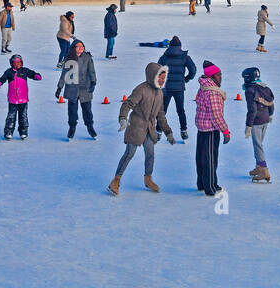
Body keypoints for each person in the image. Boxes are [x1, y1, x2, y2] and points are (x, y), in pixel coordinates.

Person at [109, 62, 176, 195]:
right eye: (160, 78)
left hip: (149, 129)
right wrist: (123, 118)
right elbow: (127, 104)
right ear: (153, 76)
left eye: (164, 78)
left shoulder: (160, 93)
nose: (163, 81)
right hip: (136, 127)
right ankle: (115, 180)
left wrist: (168, 132)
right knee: (129, 153)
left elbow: (160, 114)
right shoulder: (141, 89)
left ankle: (148, 179)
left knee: (150, 154)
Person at [193, 61, 230, 197]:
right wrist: (225, 131)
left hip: (202, 127)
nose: (221, 77)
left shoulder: (204, 87)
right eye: (218, 75)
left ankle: (202, 183)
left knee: (201, 157)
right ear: (212, 76)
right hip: (210, 129)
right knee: (210, 158)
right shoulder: (213, 92)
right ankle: (210, 187)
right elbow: (216, 115)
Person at [56, 38, 98, 140]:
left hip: (85, 88)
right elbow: (64, 74)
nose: (80, 48)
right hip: (72, 88)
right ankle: (72, 127)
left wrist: (93, 83)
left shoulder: (87, 58)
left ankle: (90, 126)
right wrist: (59, 87)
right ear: (73, 48)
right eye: (78, 46)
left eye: (82, 47)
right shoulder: (69, 59)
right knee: (72, 111)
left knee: (87, 110)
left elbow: (92, 71)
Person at [157, 35, 197, 139]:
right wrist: (186, 79)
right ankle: (184, 131)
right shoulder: (185, 57)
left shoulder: (164, 57)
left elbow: (157, 71)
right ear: (179, 46)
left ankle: (158, 131)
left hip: (166, 89)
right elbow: (193, 70)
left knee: (162, 111)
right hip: (179, 88)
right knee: (180, 110)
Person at [0, 53, 41, 139]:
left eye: (19, 62)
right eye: (15, 63)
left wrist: (36, 76)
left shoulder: (24, 71)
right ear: (12, 63)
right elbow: (3, 78)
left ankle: (23, 131)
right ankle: (8, 131)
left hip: (23, 99)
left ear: (22, 63)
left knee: (23, 116)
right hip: (12, 99)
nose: (17, 64)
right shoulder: (9, 72)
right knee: (11, 116)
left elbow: (32, 73)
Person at [243, 66, 274, 182]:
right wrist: (270, 115)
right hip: (265, 119)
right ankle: (258, 167)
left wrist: (248, 125)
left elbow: (252, 110)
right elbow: (271, 103)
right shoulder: (265, 87)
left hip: (256, 121)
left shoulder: (250, 90)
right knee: (259, 144)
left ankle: (264, 170)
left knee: (258, 145)